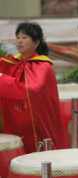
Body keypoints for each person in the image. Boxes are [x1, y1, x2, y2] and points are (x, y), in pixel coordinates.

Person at [0, 22, 67, 153]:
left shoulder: (42, 66)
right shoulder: (11, 62)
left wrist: (2, 78)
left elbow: (29, 90)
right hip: (14, 121)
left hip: (36, 124)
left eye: (24, 38)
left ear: (36, 42)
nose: (19, 41)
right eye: (18, 37)